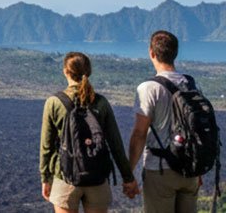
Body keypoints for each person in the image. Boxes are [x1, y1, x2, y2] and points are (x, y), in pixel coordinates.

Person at [40, 51, 137, 212]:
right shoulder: (101, 103)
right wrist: (128, 178)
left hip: (65, 177)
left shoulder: (54, 103)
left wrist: (46, 178)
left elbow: (46, 146)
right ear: (88, 72)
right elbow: (115, 144)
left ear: (65, 71)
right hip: (97, 178)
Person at [127, 30, 202, 213]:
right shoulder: (192, 84)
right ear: (175, 53)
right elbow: (198, 129)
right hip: (190, 170)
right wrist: (199, 170)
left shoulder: (149, 88)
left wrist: (128, 172)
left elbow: (139, 134)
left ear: (152, 53)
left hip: (160, 169)